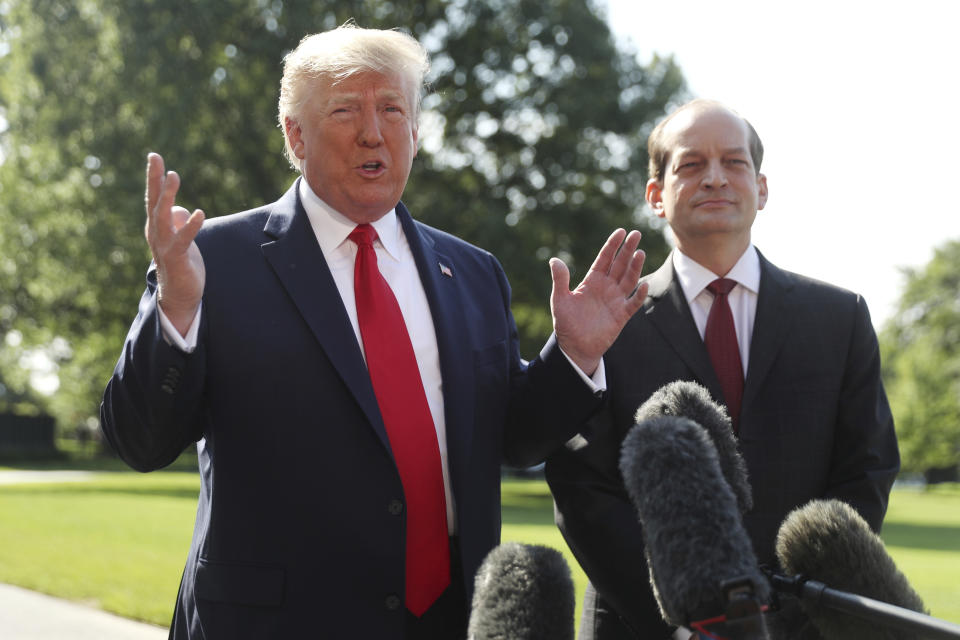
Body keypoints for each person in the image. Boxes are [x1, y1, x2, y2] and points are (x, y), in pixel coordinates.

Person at [100, 24, 648, 640]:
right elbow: (141, 442)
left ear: (415, 131)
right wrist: (175, 305)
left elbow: (511, 440)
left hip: (445, 620)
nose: (373, 131)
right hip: (275, 622)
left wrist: (571, 357)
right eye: (345, 110)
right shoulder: (211, 260)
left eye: (392, 109)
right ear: (295, 134)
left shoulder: (471, 272)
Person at [545, 99, 900, 639]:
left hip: (801, 626)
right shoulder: (602, 320)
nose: (714, 178)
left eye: (734, 163)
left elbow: (865, 473)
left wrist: (794, 614)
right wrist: (693, 621)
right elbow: (582, 488)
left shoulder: (839, 317)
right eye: (691, 165)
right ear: (656, 196)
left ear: (761, 188)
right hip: (643, 625)